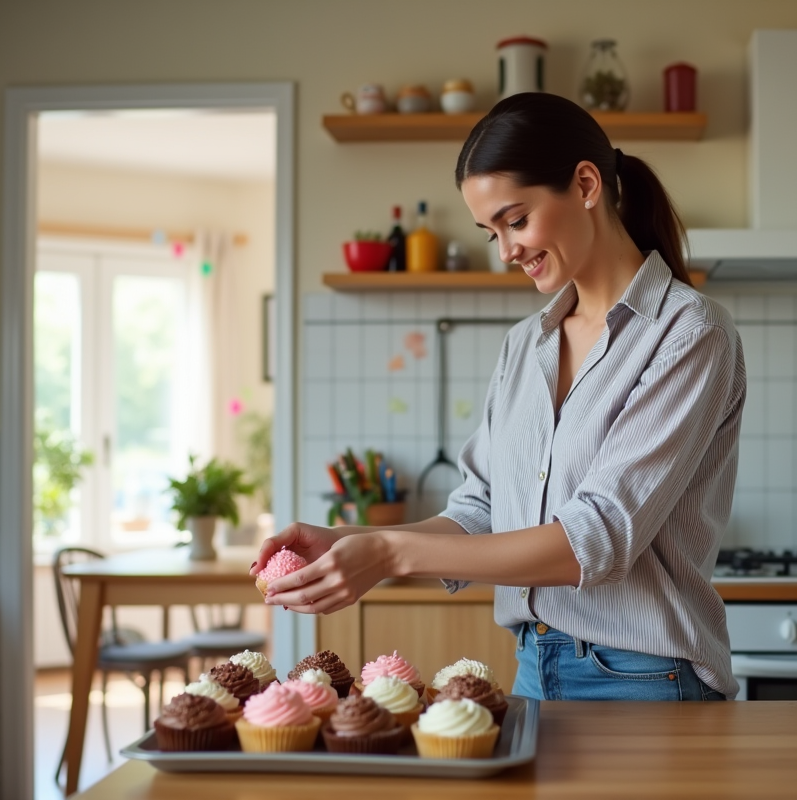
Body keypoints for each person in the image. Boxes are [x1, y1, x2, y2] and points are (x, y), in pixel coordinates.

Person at [252, 92, 746, 701]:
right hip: (535, 666)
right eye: (493, 233)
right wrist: (352, 542)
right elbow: (479, 511)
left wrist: (389, 553)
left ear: (586, 184)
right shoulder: (524, 346)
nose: (508, 249)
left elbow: (597, 537)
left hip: (645, 676)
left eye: (516, 220)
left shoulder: (688, 333)